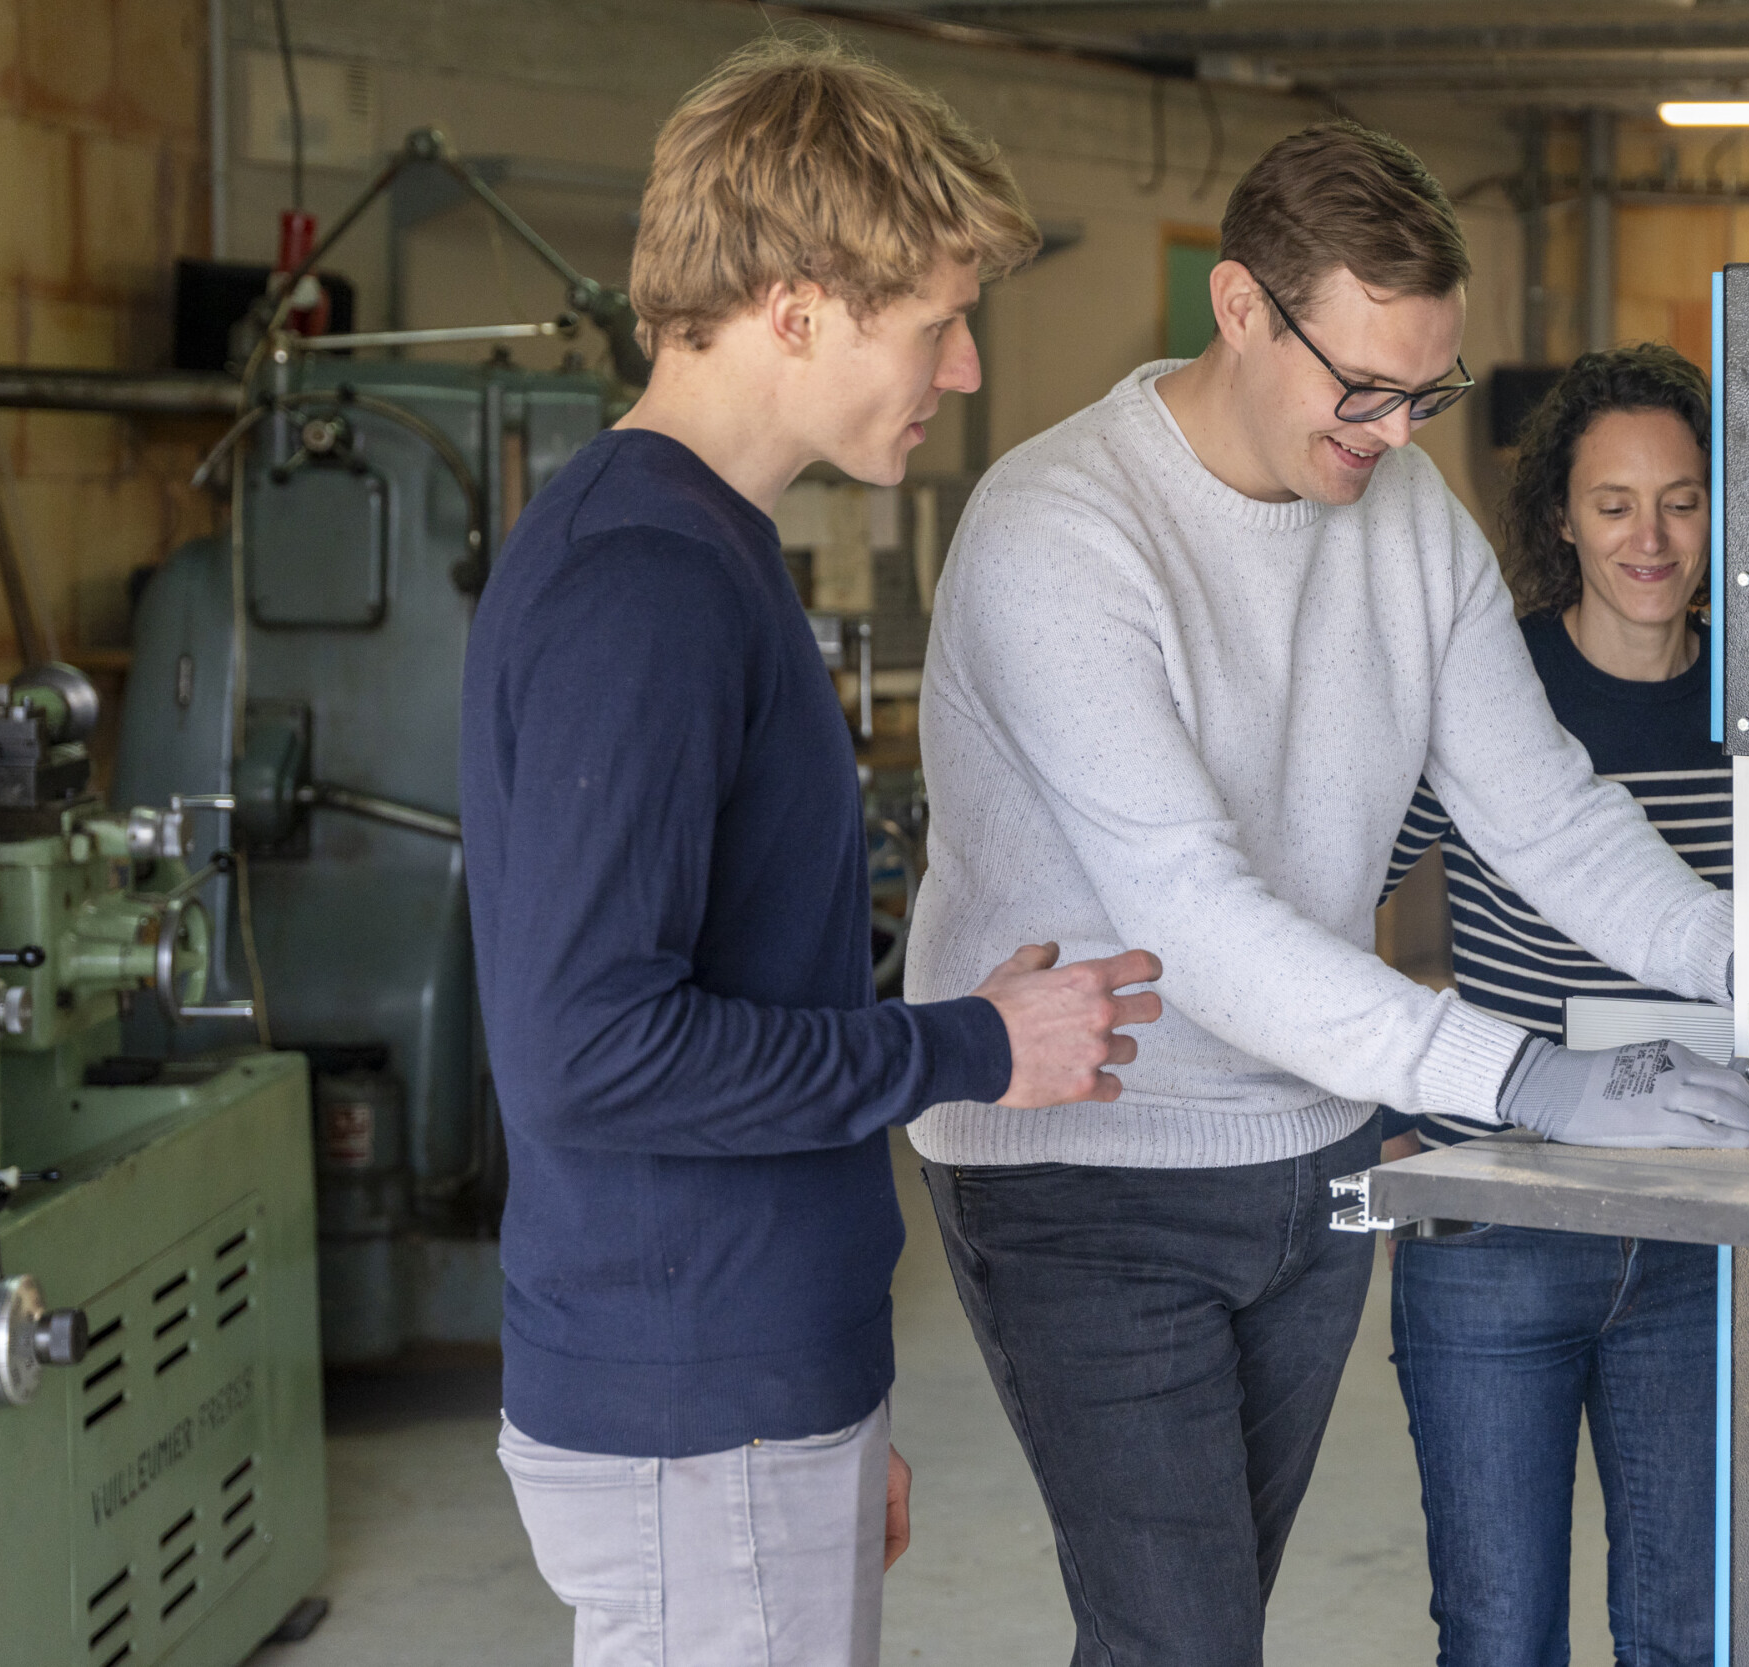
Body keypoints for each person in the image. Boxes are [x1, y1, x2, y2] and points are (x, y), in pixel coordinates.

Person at [905, 123, 1749, 1666]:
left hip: (1306, 1156)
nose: (1391, 432)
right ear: (1237, 306)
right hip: (1084, 1165)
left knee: (1195, 1632)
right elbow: (1194, 919)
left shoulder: (1404, 512)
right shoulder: (1061, 531)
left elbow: (1544, 810)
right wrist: (1525, 1076)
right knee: (1184, 1642)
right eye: (1360, 387)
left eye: (1427, 393)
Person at [459, 37, 1163, 1667]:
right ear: (796, 309)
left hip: (739, 1396)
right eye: (935, 324)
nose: (968, 368)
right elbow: (590, 1055)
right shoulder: (647, 587)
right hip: (694, 1403)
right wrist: (973, 1046)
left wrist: (829, 1412)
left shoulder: (691, 546)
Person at [1381, 344, 1731, 1667]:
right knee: (1500, 1632)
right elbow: (1335, 890)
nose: (1651, 537)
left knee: (1687, 1628)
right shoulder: (1495, 691)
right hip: (1503, 1233)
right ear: (1561, 518)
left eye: (1682, 500)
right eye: (1614, 502)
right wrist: (1388, 1112)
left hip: (1703, 1234)